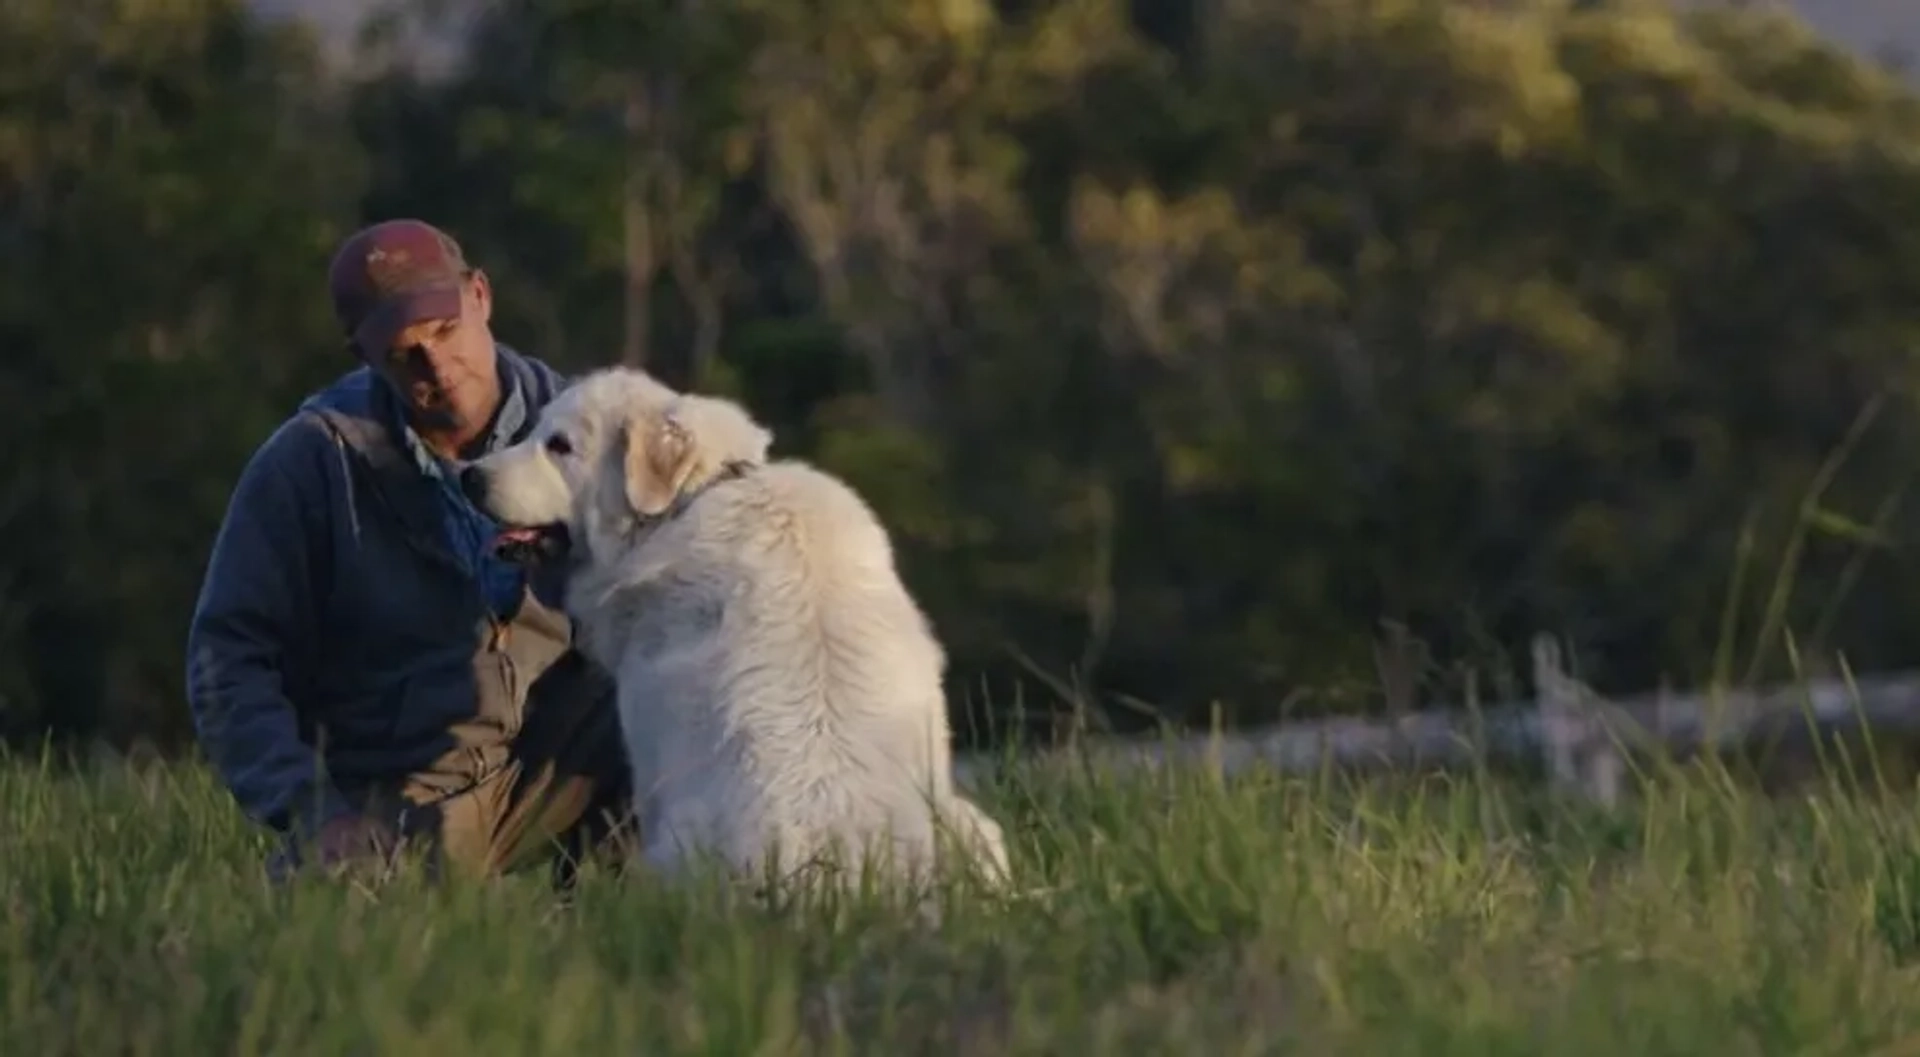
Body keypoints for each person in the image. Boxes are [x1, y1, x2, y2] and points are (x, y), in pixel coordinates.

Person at [184, 218, 632, 882]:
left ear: (480, 296)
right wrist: (314, 810)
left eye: (446, 332)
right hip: (398, 798)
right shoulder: (312, 464)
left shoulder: (586, 430)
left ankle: (612, 909)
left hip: (565, 764)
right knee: (333, 910)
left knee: (672, 732)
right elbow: (228, 658)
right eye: (403, 352)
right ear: (362, 355)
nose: (437, 367)